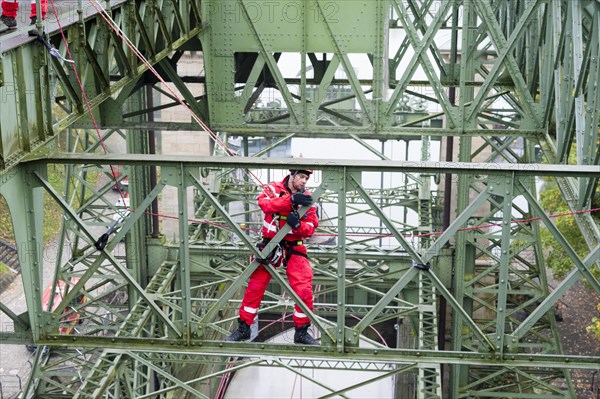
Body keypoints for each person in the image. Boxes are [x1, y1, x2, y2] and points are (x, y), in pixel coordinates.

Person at [226, 169, 320, 345]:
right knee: (255, 286)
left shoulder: (308, 200)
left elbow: (311, 226)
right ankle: (244, 328)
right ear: (291, 175)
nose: (304, 181)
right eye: (301, 176)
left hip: (294, 246)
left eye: (306, 178)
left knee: (304, 289)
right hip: (270, 244)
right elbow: (266, 204)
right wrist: (290, 200)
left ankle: (301, 332)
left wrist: (297, 226)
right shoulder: (274, 189)